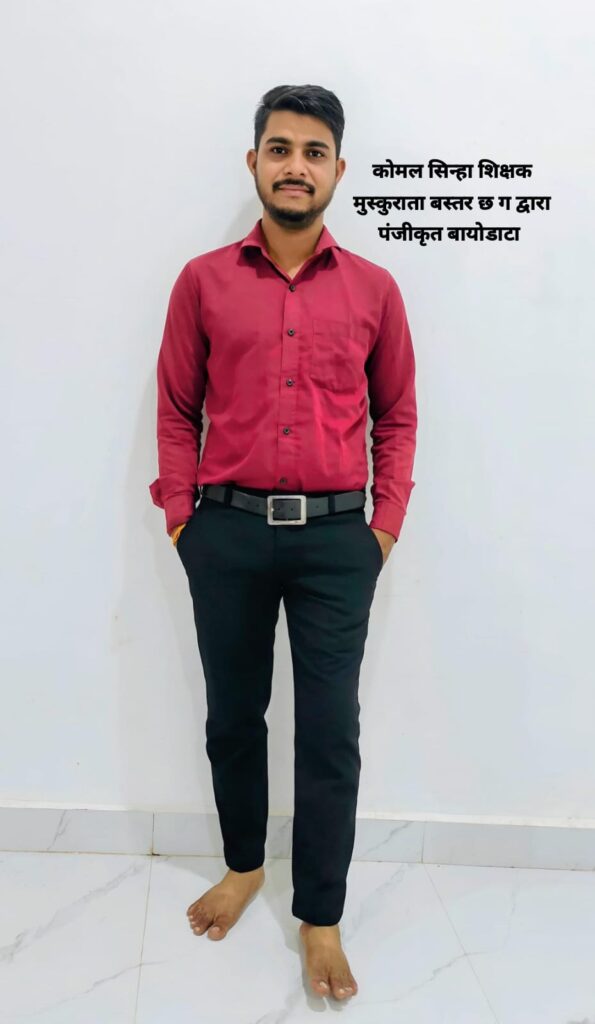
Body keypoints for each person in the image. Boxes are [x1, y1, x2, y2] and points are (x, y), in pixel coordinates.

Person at [149, 83, 417, 1002]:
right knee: (234, 716)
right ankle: (242, 864)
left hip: (338, 541)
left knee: (329, 732)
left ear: (337, 170)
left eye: (312, 151)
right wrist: (182, 518)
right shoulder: (202, 282)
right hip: (224, 532)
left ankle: (321, 915)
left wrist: (383, 526)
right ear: (254, 162)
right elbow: (176, 408)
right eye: (279, 148)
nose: (294, 166)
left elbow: (397, 417)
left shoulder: (375, 290)